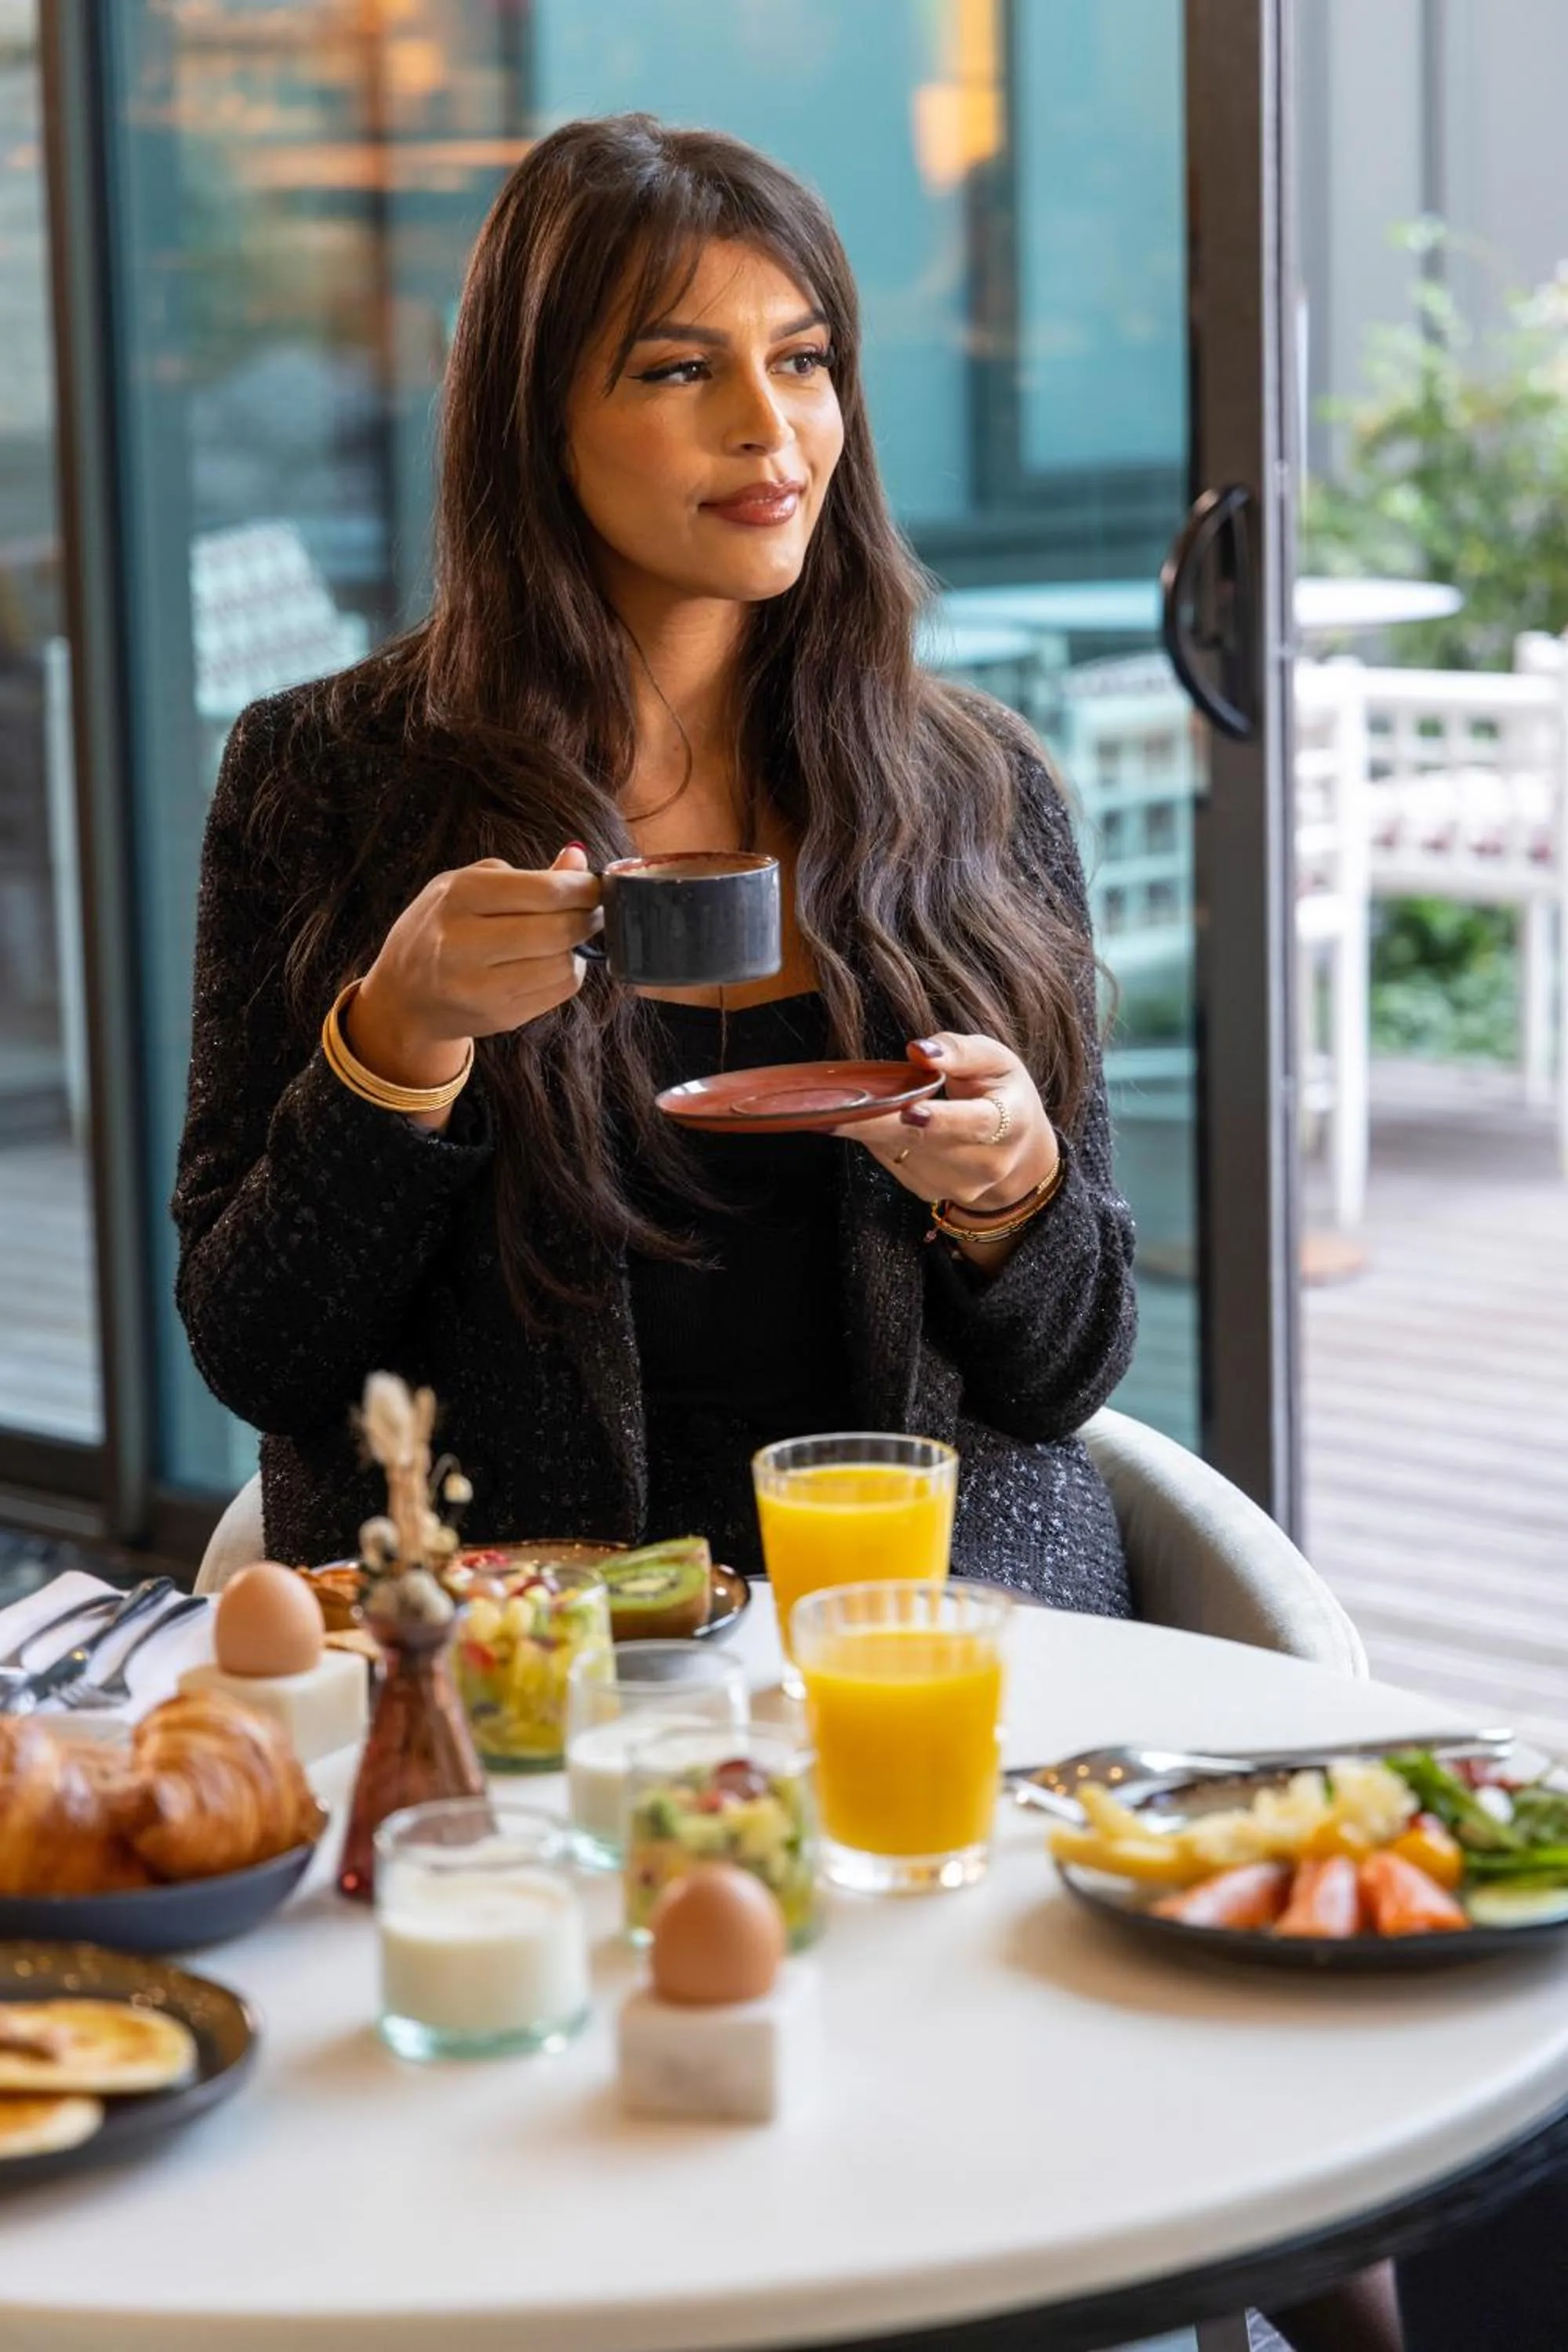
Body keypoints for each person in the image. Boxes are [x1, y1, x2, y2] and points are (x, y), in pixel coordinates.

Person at [172, 113, 1138, 1602]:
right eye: (682, 370)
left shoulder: (975, 783)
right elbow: (265, 1354)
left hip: (925, 1599)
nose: (772, 428)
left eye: (805, 360)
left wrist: (1013, 1193)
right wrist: (396, 1045)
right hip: (519, 1611)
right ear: (535, 416)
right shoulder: (330, 776)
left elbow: (1064, 1379)